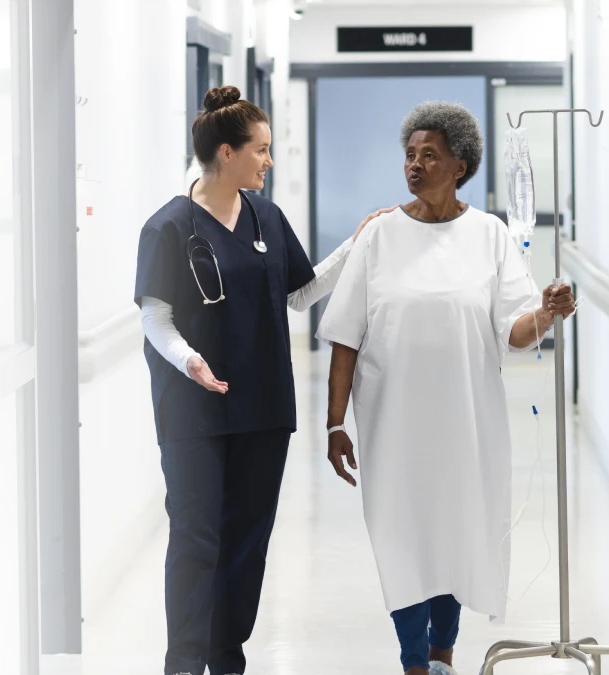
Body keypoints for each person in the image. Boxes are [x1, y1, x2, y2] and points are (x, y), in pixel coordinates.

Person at [133, 85, 395, 675]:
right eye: (262, 150)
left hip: (262, 408)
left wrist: (358, 244)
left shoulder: (266, 217)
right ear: (227, 153)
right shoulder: (168, 226)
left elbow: (299, 294)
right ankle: (184, 662)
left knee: (247, 542)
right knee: (197, 538)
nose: (269, 161)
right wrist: (190, 362)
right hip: (193, 411)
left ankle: (227, 658)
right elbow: (156, 316)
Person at [315, 102, 575, 675]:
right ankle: (413, 662)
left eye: (429, 155)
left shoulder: (490, 235)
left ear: (460, 165)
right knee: (402, 537)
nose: (414, 165)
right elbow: (343, 338)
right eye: (409, 155)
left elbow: (515, 327)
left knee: (454, 536)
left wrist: (548, 314)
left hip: (466, 423)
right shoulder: (378, 236)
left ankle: (443, 654)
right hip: (392, 426)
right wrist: (336, 423)